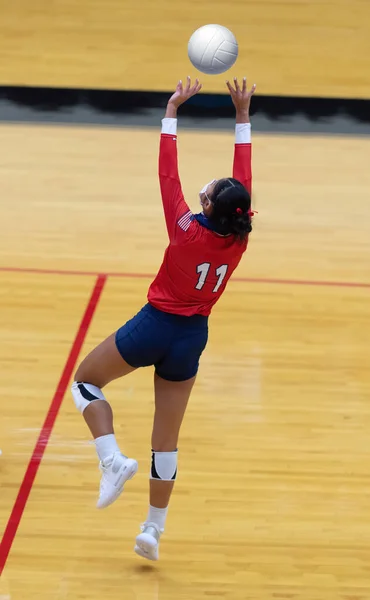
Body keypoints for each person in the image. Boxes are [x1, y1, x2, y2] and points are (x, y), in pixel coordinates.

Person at [71, 76, 256, 561]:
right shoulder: (239, 236)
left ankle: (111, 460)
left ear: (208, 205)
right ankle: (152, 530)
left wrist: (171, 112)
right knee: (166, 440)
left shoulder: (184, 230)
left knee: (85, 382)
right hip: (192, 338)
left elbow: (167, 176)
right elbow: (243, 184)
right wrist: (241, 118)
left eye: (213, 187)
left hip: (154, 325)